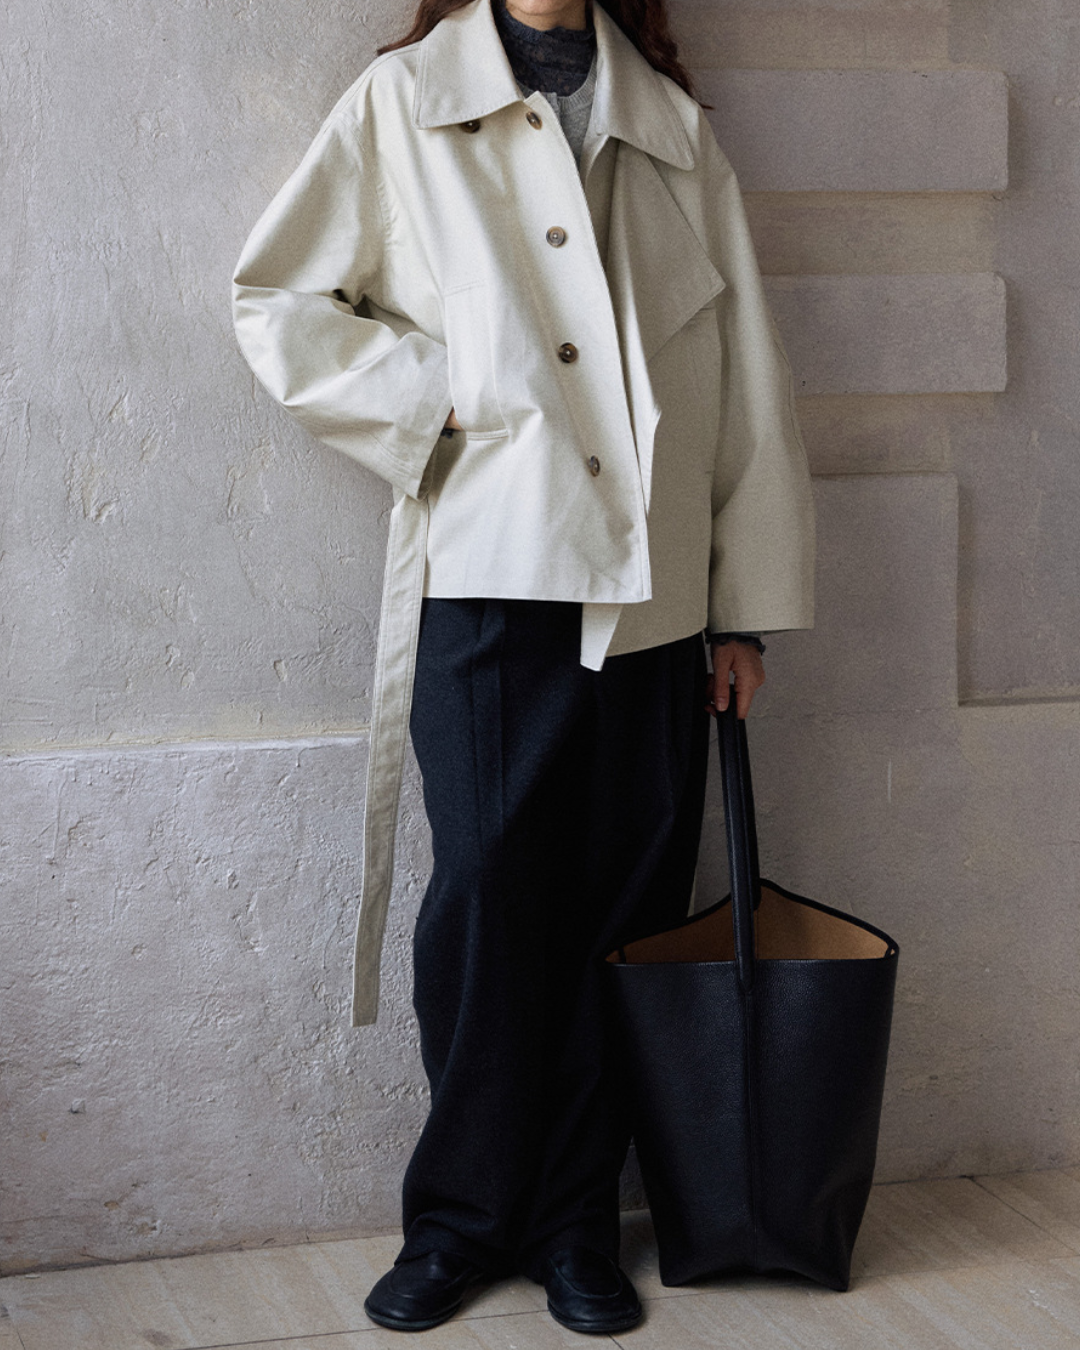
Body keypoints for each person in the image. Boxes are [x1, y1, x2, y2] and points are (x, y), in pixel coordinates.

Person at [232, 0, 815, 1334]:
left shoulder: (673, 126)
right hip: (493, 568)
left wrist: (743, 613)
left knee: (625, 910)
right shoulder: (404, 100)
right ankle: (459, 1217)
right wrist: (435, 399)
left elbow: (747, 376)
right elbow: (277, 297)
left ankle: (573, 1221)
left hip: (657, 591)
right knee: (490, 903)